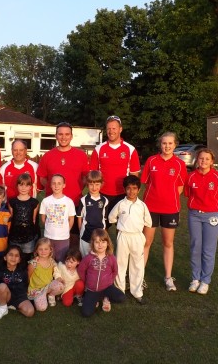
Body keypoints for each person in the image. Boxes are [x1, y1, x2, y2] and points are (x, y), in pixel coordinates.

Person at [141, 132, 188, 292]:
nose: (167, 146)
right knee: (146, 242)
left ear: (175, 145)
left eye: (170, 143)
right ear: (160, 145)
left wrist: (168, 198)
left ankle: (168, 277)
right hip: (150, 208)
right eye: (164, 143)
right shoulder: (151, 160)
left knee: (168, 243)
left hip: (170, 209)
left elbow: (180, 187)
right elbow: (146, 183)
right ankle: (139, 276)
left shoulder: (180, 164)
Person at [37, 122, 89, 248]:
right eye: (60, 134)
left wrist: (76, 189)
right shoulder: (48, 156)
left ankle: (73, 265)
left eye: (67, 134)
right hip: (53, 205)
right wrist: (52, 189)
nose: (63, 137)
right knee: (52, 239)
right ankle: (51, 266)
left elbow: (85, 177)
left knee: (74, 238)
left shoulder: (81, 155)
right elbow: (42, 178)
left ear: (71, 136)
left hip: (75, 202)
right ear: (56, 136)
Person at [185, 148, 218, 295]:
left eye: (207, 159)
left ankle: (205, 281)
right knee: (195, 247)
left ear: (212, 161)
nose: (203, 161)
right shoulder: (191, 177)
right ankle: (195, 279)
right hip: (194, 215)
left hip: (212, 216)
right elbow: (188, 194)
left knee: (208, 250)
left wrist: (213, 209)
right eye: (201, 158)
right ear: (197, 160)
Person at [109, 175, 152, 304]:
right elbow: (112, 218)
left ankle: (137, 291)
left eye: (134, 188)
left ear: (139, 190)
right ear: (125, 189)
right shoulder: (120, 204)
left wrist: (141, 237)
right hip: (123, 236)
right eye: (128, 188)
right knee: (121, 264)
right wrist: (121, 226)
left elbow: (148, 222)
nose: (131, 191)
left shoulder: (142, 206)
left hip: (137, 237)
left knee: (137, 265)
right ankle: (120, 290)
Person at [89, 115, 141, 217]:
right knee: (103, 225)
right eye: (108, 128)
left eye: (114, 128)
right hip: (102, 193)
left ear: (120, 129)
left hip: (123, 194)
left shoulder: (130, 149)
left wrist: (131, 194)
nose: (111, 131)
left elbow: (134, 176)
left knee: (121, 226)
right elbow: (92, 175)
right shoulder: (98, 149)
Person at [77, 229, 126, 317]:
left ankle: (105, 297)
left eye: (103, 242)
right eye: (97, 242)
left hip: (107, 287)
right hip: (92, 290)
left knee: (121, 297)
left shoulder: (111, 258)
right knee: (86, 313)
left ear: (107, 243)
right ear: (92, 243)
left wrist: (109, 282)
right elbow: (81, 270)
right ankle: (97, 298)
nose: (100, 245)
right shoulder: (88, 258)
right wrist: (87, 282)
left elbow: (115, 271)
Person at [0, 245, 35, 321]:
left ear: (19, 260)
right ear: (5, 257)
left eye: (16, 256)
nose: (13, 258)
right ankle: (3, 308)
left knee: (30, 312)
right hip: (7, 296)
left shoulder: (23, 271)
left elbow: (26, 283)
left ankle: (14, 307)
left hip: (20, 296)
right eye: (10, 255)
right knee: (2, 286)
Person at [39, 174, 76, 262]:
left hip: (63, 238)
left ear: (64, 185)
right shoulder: (46, 201)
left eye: (59, 183)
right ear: (50, 185)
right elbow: (43, 218)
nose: (56, 186)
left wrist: (66, 230)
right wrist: (49, 228)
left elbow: (71, 219)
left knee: (61, 261)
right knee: (48, 260)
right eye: (54, 183)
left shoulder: (69, 201)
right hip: (49, 236)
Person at [8, 173, 40, 262]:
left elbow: (34, 220)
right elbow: (11, 219)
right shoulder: (12, 202)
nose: (23, 188)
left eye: (27, 185)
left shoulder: (34, 202)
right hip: (14, 236)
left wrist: (36, 236)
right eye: (21, 185)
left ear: (30, 187)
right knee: (14, 260)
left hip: (29, 237)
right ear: (17, 186)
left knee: (26, 260)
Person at [76, 170, 109, 257]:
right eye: (91, 184)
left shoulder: (105, 200)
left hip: (99, 235)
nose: (94, 187)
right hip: (86, 234)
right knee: (85, 257)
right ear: (87, 184)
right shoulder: (83, 200)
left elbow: (104, 219)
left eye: (97, 184)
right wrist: (81, 231)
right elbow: (79, 217)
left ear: (101, 184)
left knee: (98, 257)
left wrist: (104, 233)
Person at [27, 238, 64, 311]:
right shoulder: (33, 263)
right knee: (42, 308)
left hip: (47, 286)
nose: (43, 251)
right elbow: (28, 276)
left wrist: (58, 278)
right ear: (36, 250)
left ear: (50, 250)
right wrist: (29, 288)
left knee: (61, 286)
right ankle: (41, 296)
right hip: (36, 289)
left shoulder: (52, 261)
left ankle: (51, 295)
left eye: (46, 249)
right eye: (40, 249)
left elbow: (56, 271)